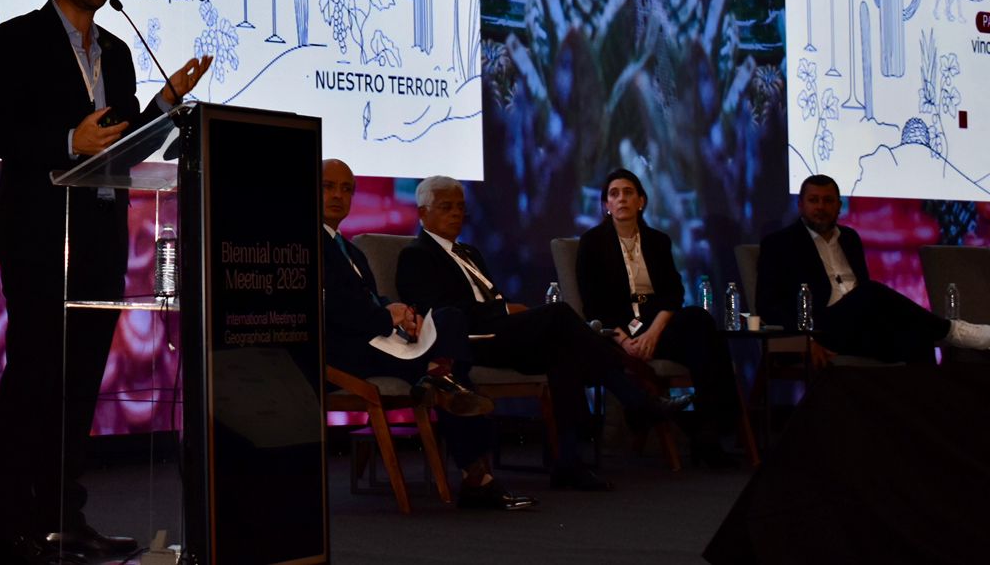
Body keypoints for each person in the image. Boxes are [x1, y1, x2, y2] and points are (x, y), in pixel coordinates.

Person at [0, 0, 211, 565]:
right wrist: (65, 141)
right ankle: (10, 531)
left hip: (100, 239)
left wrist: (163, 108)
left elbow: (124, 147)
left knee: (79, 389)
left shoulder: (119, 53)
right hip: (40, 240)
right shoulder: (18, 38)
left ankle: (63, 519)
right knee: (33, 386)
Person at [396, 175, 685, 491]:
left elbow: (492, 297)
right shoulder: (416, 255)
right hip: (469, 343)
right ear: (422, 212)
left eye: (460, 207)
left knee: (564, 352)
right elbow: (441, 313)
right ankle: (635, 398)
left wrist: (507, 310)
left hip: (501, 335)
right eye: (446, 207)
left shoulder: (469, 252)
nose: (456, 213)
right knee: (559, 314)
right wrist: (506, 311)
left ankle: (569, 462)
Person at [322, 159, 535, 511]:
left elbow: (369, 299)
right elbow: (334, 309)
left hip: (381, 341)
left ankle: (442, 377)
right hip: (343, 350)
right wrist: (386, 316)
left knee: (448, 320)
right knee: (449, 375)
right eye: (328, 187)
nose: (338, 196)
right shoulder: (305, 246)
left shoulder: (352, 251)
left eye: (346, 189)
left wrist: (400, 311)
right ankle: (475, 473)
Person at [577, 169, 742, 467]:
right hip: (616, 333)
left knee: (700, 323)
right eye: (614, 194)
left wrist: (654, 333)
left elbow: (673, 294)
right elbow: (593, 305)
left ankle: (708, 431)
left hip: (656, 327)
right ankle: (707, 433)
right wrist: (625, 341)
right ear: (606, 205)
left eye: (628, 192)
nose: (621, 199)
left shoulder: (657, 241)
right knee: (703, 342)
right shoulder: (592, 243)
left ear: (641, 201)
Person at [758, 175, 990, 365]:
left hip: (860, 327)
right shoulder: (779, 243)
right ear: (801, 205)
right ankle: (954, 331)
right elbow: (767, 305)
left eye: (828, 201)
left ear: (839, 206)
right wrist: (804, 338)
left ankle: (926, 407)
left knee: (919, 339)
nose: (820, 207)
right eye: (813, 200)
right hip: (821, 328)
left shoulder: (850, 238)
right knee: (869, 292)